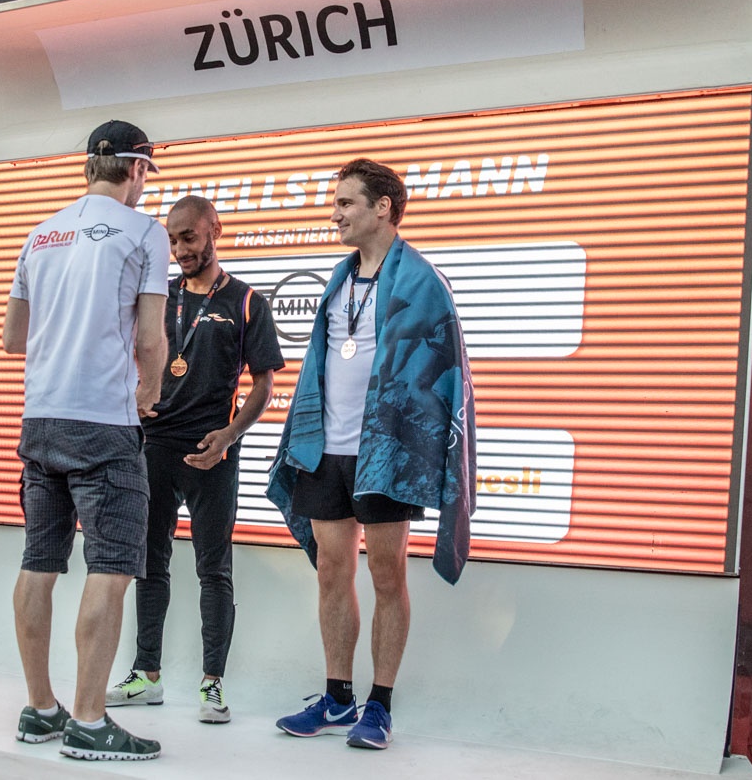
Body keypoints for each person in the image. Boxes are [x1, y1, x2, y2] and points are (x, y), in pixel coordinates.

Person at [267, 158, 476, 751]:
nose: (334, 214)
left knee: (387, 574)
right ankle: (337, 697)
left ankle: (379, 706)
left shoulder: (423, 282)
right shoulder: (338, 280)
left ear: (382, 207)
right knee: (332, 571)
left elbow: (446, 377)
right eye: (335, 203)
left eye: (345, 203)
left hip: (388, 452)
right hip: (325, 449)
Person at [3, 120, 169, 763]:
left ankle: (41, 709)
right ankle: (91, 721)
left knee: (38, 562)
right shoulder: (144, 232)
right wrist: (148, 392)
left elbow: (13, 338)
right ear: (136, 168)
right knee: (112, 567)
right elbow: (150, 337)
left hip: (40, 418)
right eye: (146, 172)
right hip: (103, 422)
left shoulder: (39, 233)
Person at [106, 195, 284, 724]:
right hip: (155, 446)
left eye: (189, 237)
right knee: (149, 563)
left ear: (214, 231)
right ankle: (147, 675)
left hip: (213, 451)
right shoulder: (159, 298)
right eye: (172, 239)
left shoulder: (247, 302)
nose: (180, 249)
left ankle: (212, 684)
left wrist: (229, 435)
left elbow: (264, 385)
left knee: (214, 569)